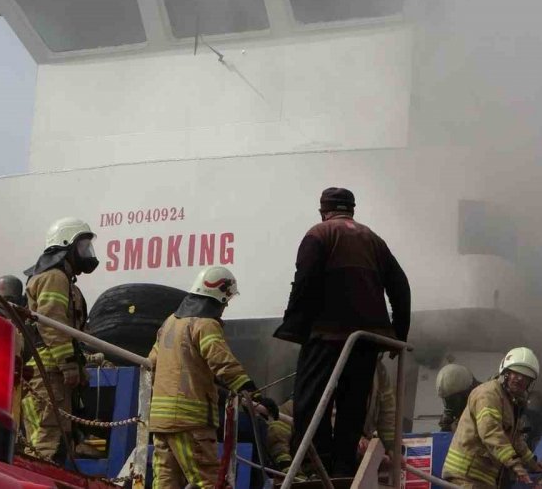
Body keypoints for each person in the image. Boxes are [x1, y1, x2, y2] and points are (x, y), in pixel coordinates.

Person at [274, 187, 410, 476]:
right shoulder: (373, 239)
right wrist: (398, 336)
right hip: (368, 340)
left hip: (328, 334)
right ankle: (343, 467)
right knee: (353, 405)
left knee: (309, 399)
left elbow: (305, 281)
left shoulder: (319, 235)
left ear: (323, 211)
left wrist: (295, 326)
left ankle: (316, 463)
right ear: (352, 210)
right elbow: (401, 287)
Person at [148, 266, 277, 489]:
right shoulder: (205, 324)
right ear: (220, 296)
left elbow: (152, 362)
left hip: (160, 422)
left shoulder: (170, 323)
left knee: (166, 484)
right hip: (191, 422)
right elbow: (223, 364)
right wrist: (255, 396)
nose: (225, 307)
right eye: (226, 301)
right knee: (207, 482)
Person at [20, 217, 98, 462]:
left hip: (46, 369)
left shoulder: (63, 280)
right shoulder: (55, 277)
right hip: (49, 370)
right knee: (48, 442)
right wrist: (67, 363)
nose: (87, 253)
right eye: (82, 247)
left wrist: (79, 361)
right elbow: (51, 322)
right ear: (66, 246)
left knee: (49, 440)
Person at [443, 348, 542, 488]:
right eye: (516, 373)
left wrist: (533, 463)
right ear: (505, 372)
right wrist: (515, 464)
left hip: (480, 477)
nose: (520, 379)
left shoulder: (510, 402)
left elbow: (514, 440)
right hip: (465, 476)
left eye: (526, 377)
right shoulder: (488, 394)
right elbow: (490, 432)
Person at [268, 358, 396, 473]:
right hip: (311, 466)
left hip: (347, 465)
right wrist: (293, 474)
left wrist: (392, 449)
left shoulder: (378, 370)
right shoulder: (329, 358)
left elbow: (387, 412)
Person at [436, 363, 479, 433]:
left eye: (452, 400)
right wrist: (447, 426)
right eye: (447, 401)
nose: (449, 406)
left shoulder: (485, 399)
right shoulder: (451, 415)